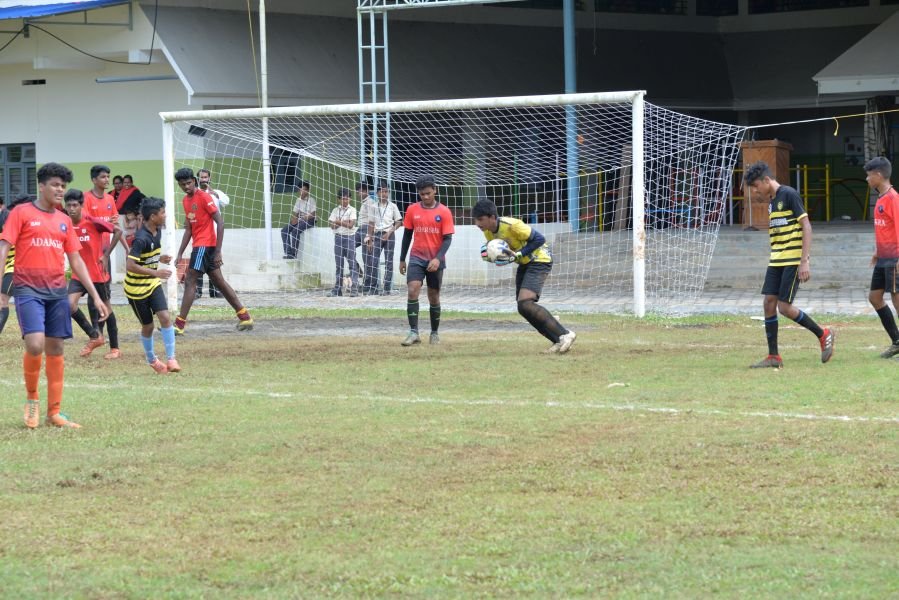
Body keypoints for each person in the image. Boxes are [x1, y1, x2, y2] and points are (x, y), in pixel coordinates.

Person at [0, 162, 108, 429]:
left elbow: (76, 260)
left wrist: (95, 296)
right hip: (28, 290)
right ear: (42, 186)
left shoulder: (64, 220)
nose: (60, 190)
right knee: (35, 345)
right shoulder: (21, 213)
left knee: (56, 348)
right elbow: (4, 248)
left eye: (63, 186)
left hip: (57, 292)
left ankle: (54, 412)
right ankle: (32, 400)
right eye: (55, 185)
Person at [744, 160, 834, 368]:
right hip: (776, 260)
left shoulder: (789, 194)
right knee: (768, 303)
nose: (755, 191)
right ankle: (773, 357)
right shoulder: (772, 202)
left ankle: (823, 334)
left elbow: (806, 226)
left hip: (792, 259)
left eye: (756, 186)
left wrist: (804, 261)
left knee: (784, 307)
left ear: (767, 180)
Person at [472, 199, 577, 353]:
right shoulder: (488, 232)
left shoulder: (512, 225)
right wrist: (496, 257)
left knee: (526, 303)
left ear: (492, 217)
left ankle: (565, 334)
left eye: (480, 219)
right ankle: (557, 340)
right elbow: (506, 251)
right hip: (524, 263)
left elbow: (539, 239)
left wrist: (519, 254)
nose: (477, 223)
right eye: (475, 220)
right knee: (523, 308)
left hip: (539, 259)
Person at [173, 167, 253, 334]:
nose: (186, 187)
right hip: (201, 245)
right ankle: (245, 316)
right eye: (182, 185)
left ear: (194, 181)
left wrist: (217, 251)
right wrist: (180, 253)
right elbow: (189, 229)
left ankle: (179, 325)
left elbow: (220, 223)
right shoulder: (185, 201)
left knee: (190, 281)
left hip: (205, 245)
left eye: (188, 183)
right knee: (219, 282)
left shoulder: (204, 197)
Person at [64, 189, 123, 360]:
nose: (71, 209)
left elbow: (118, 231)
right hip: (78, 275)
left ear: (81, 206)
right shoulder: (65, 224)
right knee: (69, 305)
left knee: (106, 310)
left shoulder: (92, 221)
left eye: (75, 205)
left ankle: (115, 348)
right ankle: (94, 336)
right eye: (68, 205)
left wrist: (106, 255)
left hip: (97, 274)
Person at [125, 196, 179, 374]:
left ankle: (171, 359)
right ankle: (152, 360)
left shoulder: (158, 230)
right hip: (136, 289)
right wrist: (156, 272)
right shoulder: (140, 238)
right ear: (153, 216)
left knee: (165, 317)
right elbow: (130, 265)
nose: (165, 215)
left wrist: (159, 258)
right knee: (148, 326)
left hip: (152, 284)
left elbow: (146, 256)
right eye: (162, 212)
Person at [398, 175, 454, 346]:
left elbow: (447, 239)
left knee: (433, 296)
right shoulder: (412, 210)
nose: (426, 197)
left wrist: (437, 258)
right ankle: (413, 332)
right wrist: (402, 259)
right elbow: (407, 235)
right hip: (417, 257)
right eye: (422, 194)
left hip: (436, 260)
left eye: (428, 193)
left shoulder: (444, 211)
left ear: (435, 190)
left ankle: (434, 333)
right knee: (412, 289)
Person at [82, 165, 125, 354]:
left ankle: (113, 346)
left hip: (103, 257)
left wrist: (126, 249)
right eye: (103, 177)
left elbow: (115, 227)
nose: (107, 180)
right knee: (91, 300)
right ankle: (96, 336)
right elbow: (85, 223)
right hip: (86, 257)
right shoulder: (85, 199)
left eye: (108, 176)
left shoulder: (109, 200)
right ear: (94, 180)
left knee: (104, 301)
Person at [862, 157, 899, 358]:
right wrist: (878, 251)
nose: (867, 179)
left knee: (897, 299)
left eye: (869, 175)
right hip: (883, 257)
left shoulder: (893, 198)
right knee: (875, 297)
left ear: (878, 175)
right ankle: (897, 341)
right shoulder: (881, 198)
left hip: (894, 258)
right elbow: (886, 228)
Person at [0, 193, 33, 335]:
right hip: (8, 269)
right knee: (23, 302)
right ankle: (29, 332)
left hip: (14, 269)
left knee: (2, 300)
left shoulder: (14, 226)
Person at [196, 168, 230, 298]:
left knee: (215, 260)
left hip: (215, 233)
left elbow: (226, 202)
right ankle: (197, 291)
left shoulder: (216, 192)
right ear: (197, 179)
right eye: (201, 177)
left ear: (209, 178)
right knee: (199, 261)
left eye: (206, 177)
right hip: (201, 232)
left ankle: (214, 291)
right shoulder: (195, 193)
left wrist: (213, 193)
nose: (203, 179)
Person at [364, 180, 402, 295]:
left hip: (389, 235)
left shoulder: (393, 206)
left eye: (386, 192)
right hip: (377, 235)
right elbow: (371, 223)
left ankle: (386, 288)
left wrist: (389, 232)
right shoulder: (373, 206)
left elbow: (399, 222)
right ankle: (373, 288)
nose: (384, 194)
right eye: (382, 192)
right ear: (377, 193)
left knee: (389, 262)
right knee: (373, 261)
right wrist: (370, 238)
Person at [328, 188, 360, 297]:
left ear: (350, 199)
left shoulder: (352, 210)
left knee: (352, 264)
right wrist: (343, 222)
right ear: (338, 199)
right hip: (338, 238)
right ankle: (338, 289)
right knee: (339, 265)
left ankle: (354, 288)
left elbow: (351, 225)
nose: (345, 201)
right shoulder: (335, 210)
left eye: (347, 199)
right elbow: (332, 226)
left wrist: (338, 221)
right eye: (342, 199)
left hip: (350, 238)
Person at [281, 180, 316, 259]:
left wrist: (301, 219)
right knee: (284, 230)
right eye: (301, 189)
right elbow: (296, 214)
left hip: (310, 220)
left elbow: (313, 214)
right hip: (301, 220)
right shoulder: (298, 200)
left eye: (305, 189)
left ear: (308, 190)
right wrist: (294, 220)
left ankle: (293, 254)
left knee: (295, 231)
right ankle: (288, 253)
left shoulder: (311, 200)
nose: (302, 191)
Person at [355, 181, 377, 294]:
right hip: (359, 229)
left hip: (366, 230)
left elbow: (372, 221)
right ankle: (358, 270)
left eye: (363, 191)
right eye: (359, 191)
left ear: (367, 191)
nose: (361, 193)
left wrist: (369, 236)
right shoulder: (363, 202)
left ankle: (368, 284)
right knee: (347, 247)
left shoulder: (370, 203)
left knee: (367, 258)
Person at [116, 174, 146, 248]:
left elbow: (145, 200)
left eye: (128, 182)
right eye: (125, 182)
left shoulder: (135, 192)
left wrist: (139, 213)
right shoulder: (122, 192)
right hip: (122, 217)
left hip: (131, 219)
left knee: (131, 239)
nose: (126, 184)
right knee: (122, 239)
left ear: (132, 183)